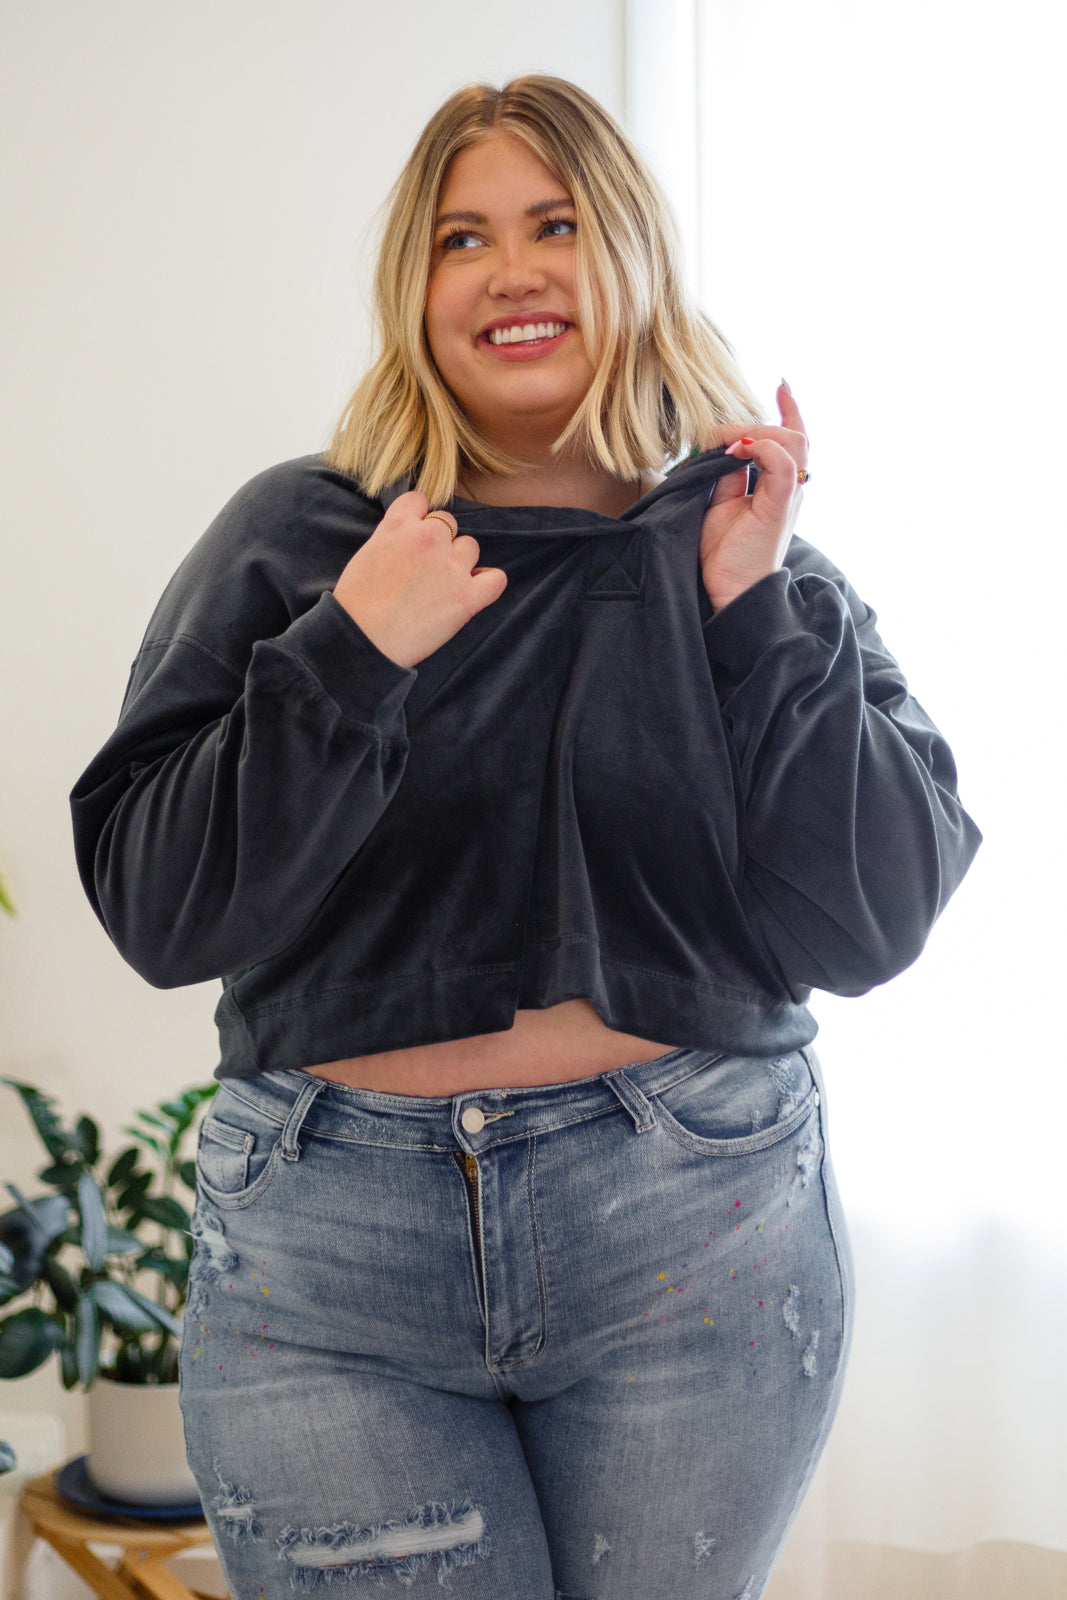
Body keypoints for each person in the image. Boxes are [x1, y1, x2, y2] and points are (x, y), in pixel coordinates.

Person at [71, 75, 980, 1600]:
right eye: (462, 238)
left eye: (554, 225)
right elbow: (159, 908)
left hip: (692, 1237)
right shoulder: (300, 539)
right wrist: (352, 650)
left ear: (629, 254)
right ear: (413, 289)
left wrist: (755, 615)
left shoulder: (745, 551)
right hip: (329, 1266)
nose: (511, 272)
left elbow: (873, 917)